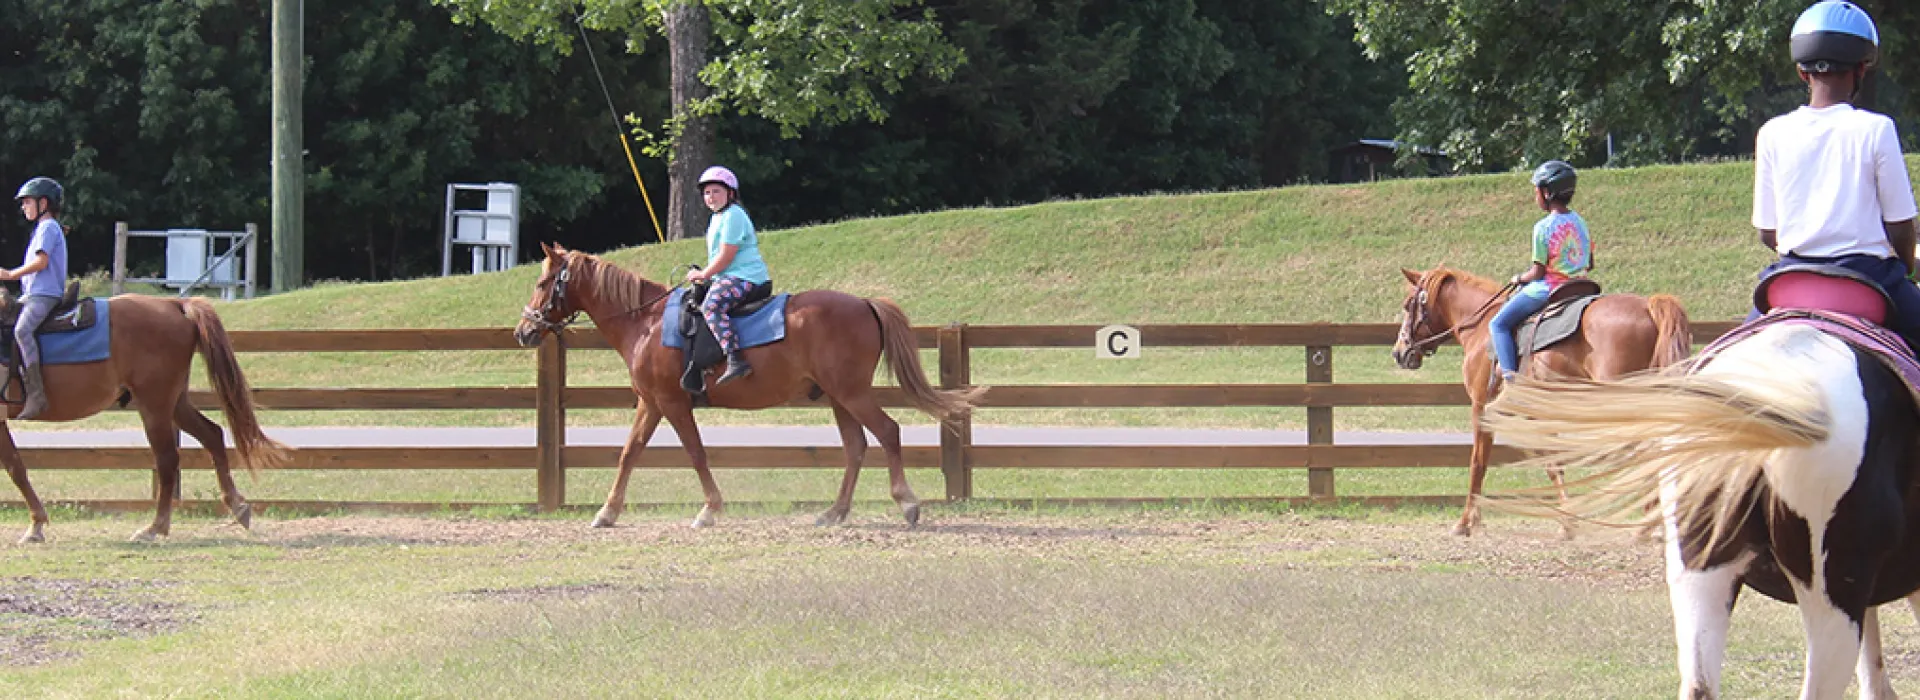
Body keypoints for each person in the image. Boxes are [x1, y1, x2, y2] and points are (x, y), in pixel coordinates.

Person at [1751, 0, 1920, 351]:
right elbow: (1902, 226)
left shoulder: (1771, 132)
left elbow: (1768, 232)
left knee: (1726, 354)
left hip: (1791, 282)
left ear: (1802, 72)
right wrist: (1906, 268)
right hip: (1869, 280)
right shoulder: (1876, 129)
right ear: (1861, 68)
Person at [1489, 160, 1592, 384]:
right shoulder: (1581, 223)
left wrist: (1518, 278)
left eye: (1536, 190)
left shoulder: (1543, 228)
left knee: (1498, 324)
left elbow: (1537, 272)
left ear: (1546, 193)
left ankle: (1511, 381)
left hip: (1550, 288)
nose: (1535, 196)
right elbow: (1589, 262)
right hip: (1582, 286)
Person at [685, 166, 772, 385]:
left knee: (711, 305)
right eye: (707, 192)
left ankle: (735, 358)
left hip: (747, 278)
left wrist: (704, 274)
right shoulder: (717, 217)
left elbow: (726, 255)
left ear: (730, 193)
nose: (711, 197)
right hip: (730, 276)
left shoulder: (734, 215)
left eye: (716, 191)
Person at [3, 177, 69, 419]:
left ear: (44, 203)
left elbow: (41, 263)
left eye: (27, 202)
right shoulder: (43, 229)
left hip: (44, 296)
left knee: (22, 331)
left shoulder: (48, 227)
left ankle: (36, 395)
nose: (23, 207)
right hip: (32, 295)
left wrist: (10, 274)